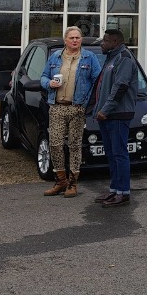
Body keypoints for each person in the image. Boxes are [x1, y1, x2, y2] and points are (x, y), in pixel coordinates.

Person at [39, 26, 102, 198]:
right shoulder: (56, 56)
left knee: (74, 145)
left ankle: (73, 183)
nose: (75, 40)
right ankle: (60, 180)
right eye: (72, 38)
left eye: (78, 38)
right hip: (57, 106)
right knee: (55, 143)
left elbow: (98, 81)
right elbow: (43, 76)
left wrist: (87, 103)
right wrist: (49, 83)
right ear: (65, 40)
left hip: (77, 108)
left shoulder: (90, 58)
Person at [87, 28, 143, 207]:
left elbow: (120, 87)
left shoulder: (124, 58)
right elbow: (103, 87)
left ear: (115, 42)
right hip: (107, 114)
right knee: (111, 154)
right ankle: (114, 190)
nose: (102, 44)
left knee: (119, 154)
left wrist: (106, 109)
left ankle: (123, 193)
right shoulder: (111, 58)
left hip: (117, 114)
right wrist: (96, 108)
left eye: (105, 41)